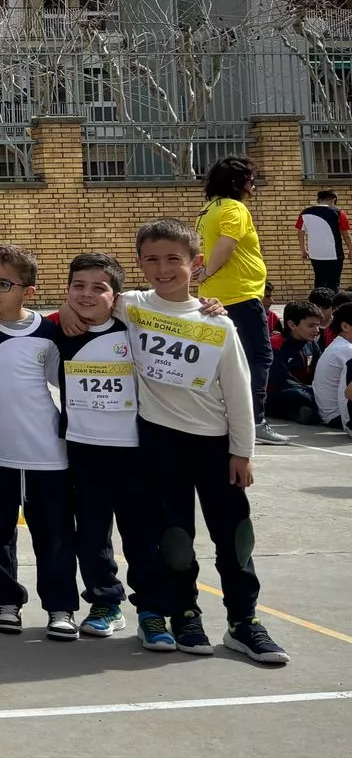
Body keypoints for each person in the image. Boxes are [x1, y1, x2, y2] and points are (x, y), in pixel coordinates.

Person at [125, 219, 288, 664]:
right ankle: (185, 613)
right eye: (152, 259)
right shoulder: (131, 306)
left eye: (173, 260)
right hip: (160, 443)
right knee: (175, 538)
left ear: (196, 264)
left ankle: (243, 621)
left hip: (216, 445)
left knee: (235, 537)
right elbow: (86, 302)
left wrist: (243, 451)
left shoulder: (218, 323)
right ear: (139, 263)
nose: (163, 269)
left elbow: (239, 391)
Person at [52, 252, 167, 643]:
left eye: (98, 288)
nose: (86, 295)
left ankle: (152, 610)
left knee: (141, 533)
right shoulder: (59, 332)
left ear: (115, 296)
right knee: (91, 533)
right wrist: (62, 311)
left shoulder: (134, 330)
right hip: (83, 450)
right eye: (78, 287)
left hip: (134, 451)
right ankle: (105, 602)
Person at [0, 244, 77, 641]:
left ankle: (60, 608)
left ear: (28, 291)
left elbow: (68, 385)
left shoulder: (49, 333)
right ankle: (6, 602)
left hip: (48, 455)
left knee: (55, 535)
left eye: (3, 284)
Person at [197, 155, 292, 444]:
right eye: (251, 180)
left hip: (216, 295)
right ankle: (256, 421)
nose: (254, 186)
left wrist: (204, 273)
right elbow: (227, 243)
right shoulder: (235, 208)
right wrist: (207, 271)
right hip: (239, 294)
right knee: (259, 357)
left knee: (224, 361)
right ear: (237, 182)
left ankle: (228, 418)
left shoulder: (207, 210)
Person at [263, 300, 325, 422]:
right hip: (280, 393)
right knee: (296, 395)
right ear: (292, 325)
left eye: (318, 325)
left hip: (306, 390)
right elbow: (282, 381)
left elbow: (320, 371)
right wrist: (313, 391)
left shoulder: (312, 344)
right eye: (311, 326)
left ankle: (306, 411)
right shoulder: (276, 345)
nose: (317, 330)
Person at [310, 301, 352, 429]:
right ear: (345, 326)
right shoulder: (347, 349)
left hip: (330, 414)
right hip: (339, 415)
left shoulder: (338, 346)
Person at [299, 188, 348, 294]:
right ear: (333, 200)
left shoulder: (305, 213)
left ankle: (318, 302)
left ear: (318, 200)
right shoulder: (338, 213)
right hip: (334, 254)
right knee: (333, 283)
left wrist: (303, 250)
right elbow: (346, 235)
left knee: (319, 281)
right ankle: (332, 303)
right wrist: (351, 250)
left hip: (315, 254)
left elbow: (300, 232)